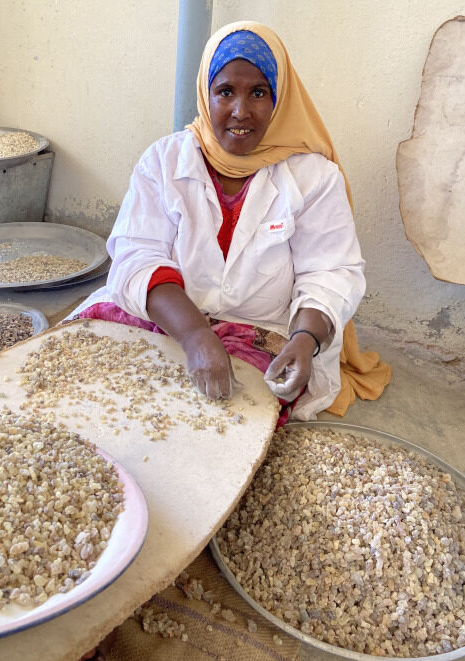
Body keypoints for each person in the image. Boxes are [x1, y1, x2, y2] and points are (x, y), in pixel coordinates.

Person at [68, 21, 390, 422]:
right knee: (91, 400)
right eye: (225, 92)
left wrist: (305, 339)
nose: (241, 111)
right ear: (206, 94)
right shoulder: (163, 161)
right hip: (166, 318)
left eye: (258, 92)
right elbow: (137, 256)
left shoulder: (315, 177)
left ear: (280, 98)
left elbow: (329, 271)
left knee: (226, 422)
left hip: (258, 328)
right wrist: (195, 335)